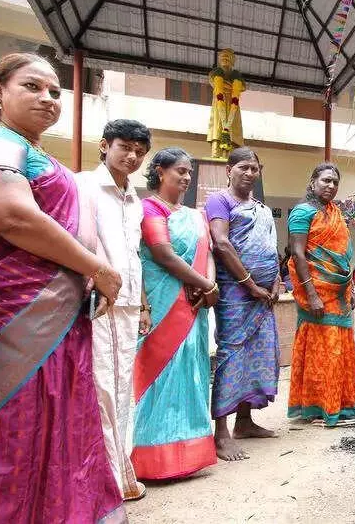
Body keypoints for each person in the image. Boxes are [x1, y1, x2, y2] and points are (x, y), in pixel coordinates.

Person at [0, 53, 126, 522]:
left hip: (65, 316)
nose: (48, 99)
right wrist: (100, 270)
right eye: (32, 87)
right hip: (21, 318)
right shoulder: (1, 143)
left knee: (60, 422)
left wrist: (91, 274)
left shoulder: (37, 155)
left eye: (54, 91)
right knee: (19, 431)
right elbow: (10, 215)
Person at [75, 119, 152, 501]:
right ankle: (104, 480)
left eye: (140, 151)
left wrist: (141, 305)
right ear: (105, 146)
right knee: (100, 389)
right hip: (96, 304)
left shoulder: (134, 198)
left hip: (126, 305)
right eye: (126, 147)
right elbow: (78, 241)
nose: (133, 155)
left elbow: (134, 257)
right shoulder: (83, 185)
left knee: (123, 389)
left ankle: (121, 475)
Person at [132, 148, 218, 479]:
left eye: (188, 171)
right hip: (163, 305)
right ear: (159, 171)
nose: (185, 177)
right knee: (161, 376)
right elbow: (163, 254)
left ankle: (190, 456)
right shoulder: (149, 207)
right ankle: (155, 461)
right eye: (179, 171)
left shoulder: (196, 215)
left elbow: (207, 251)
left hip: (193, 307)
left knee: (191, 374)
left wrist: (207, 282)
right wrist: (206, 286)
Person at [206, 147, 280, 462]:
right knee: (232, 355)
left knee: (258, 355)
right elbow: (221, 243)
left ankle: (245, 422)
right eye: (244, 168)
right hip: (236, 293)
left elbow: (273, 248)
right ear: (229, 169)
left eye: (255, 168)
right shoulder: (219, 201)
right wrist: (249, 284)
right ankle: (221, 433)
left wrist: (274, 284)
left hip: (264, 296)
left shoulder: (261, 207)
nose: (250, 173)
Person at [287, 163, 355, 426]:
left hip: (340, 291)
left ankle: (343, 403)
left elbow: (344, 255)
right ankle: (320, 406)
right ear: (312, 182)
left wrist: (349, 288)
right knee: (323, 347)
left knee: (341, 345)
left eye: (335, 182)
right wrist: (311, 294)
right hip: (316, 290)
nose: (331, 186)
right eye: (325, 181)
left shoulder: (335, 213)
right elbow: (298, 253)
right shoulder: (302, 212)